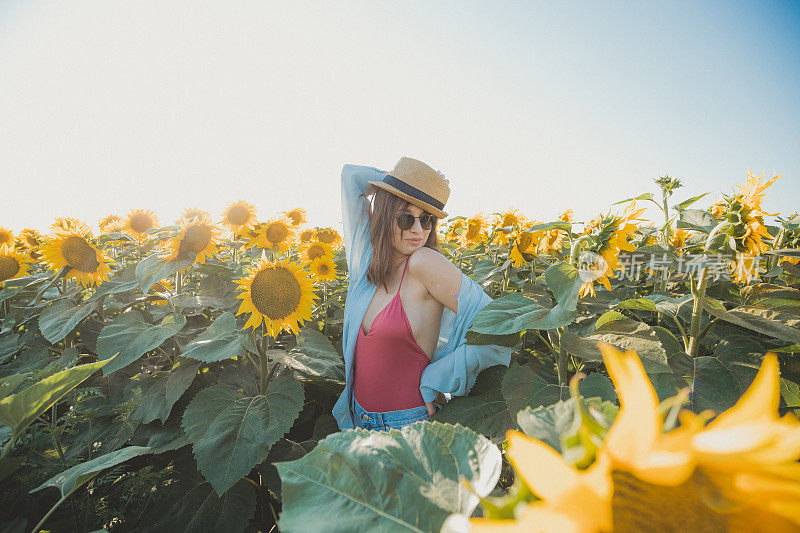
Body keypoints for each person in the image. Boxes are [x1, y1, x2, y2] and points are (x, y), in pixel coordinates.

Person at [332, 157, 512, 431]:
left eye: (427, 220)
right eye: (406, 219)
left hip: (407, 425)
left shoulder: (423, 264)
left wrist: (437, 378)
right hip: (359, 420)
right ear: (383, 216)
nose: (418, 230)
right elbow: (350, 177)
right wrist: (401, 180)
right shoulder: (366, 266)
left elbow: (501, 326)